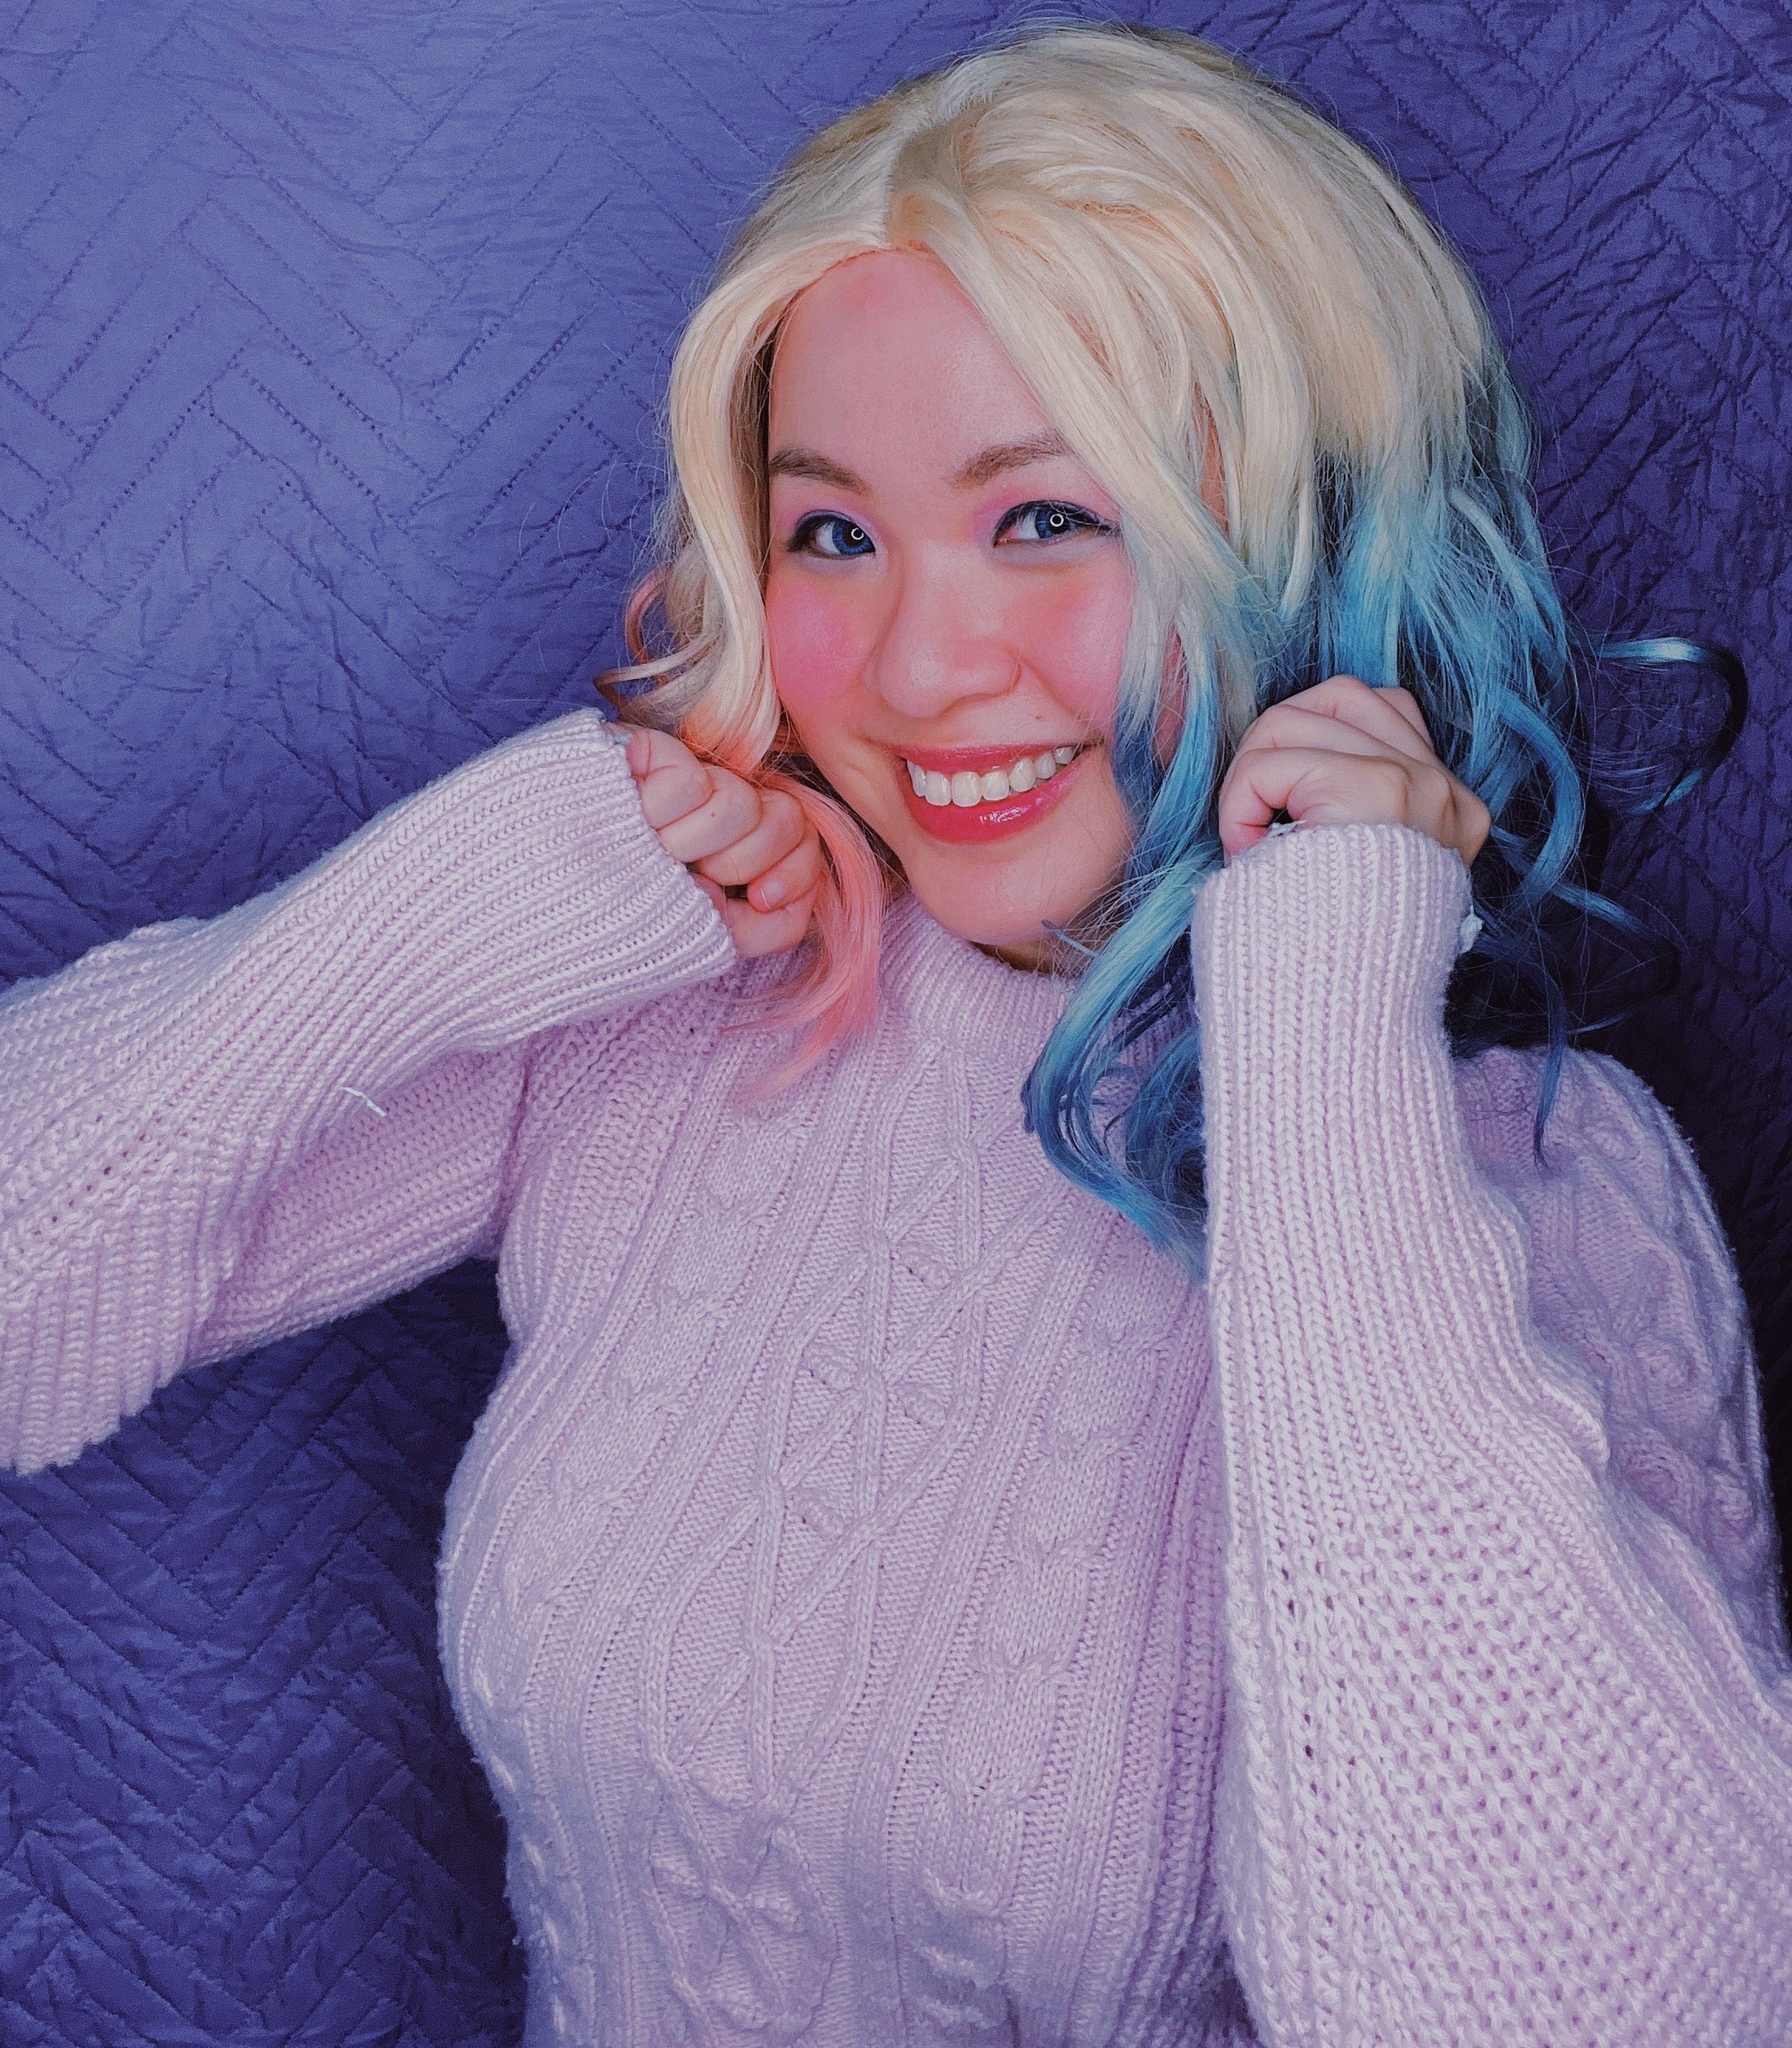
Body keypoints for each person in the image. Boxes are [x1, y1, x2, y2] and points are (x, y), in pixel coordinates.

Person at [2, 21, 1788, 2045]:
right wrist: (465, 895)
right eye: (833, 533)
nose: (927, 666)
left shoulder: (1540, 1178)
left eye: (1046, 518)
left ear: (1302, 532)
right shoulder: (672, 1024)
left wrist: (1317, 1049)